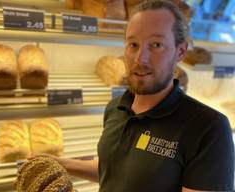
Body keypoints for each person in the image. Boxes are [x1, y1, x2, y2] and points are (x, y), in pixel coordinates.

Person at [32, 0, 234, 191]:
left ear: (180, 52)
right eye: (133, 45)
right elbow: (116, 169)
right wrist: (60, 164)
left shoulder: (208, 129)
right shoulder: (116, 108)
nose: (140, 58)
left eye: (156, 45)